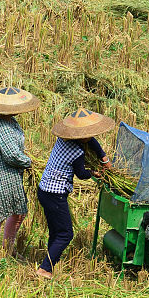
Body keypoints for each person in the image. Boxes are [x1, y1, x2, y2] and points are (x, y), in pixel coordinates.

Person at [36, 109, 115, 280]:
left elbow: (91, 141)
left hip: (44, 190)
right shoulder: (76, 152)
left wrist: (104, 158)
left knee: (56, 232)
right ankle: (44, 269)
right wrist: (94, 173)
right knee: (65, 234)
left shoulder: (63, 139)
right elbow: (81, 174)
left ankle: (49, 264)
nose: (91, 135)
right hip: (54, 193)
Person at [0, 87, 40, 261]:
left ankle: (8, 248)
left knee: (17, 213)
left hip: (11, 175)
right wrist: (29, 162)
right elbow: (12, 155)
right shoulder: (3, 128)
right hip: (2, 176)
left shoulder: (9, 121)